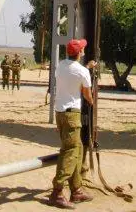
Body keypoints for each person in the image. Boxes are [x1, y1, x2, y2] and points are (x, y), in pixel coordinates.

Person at [48, 38, 95, 209]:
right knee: (70, 152)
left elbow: (73, 74)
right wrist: (92, 101)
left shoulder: (61, 66)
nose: (83, 50)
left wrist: (87, 68)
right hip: (71, 115)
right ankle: (57, 191)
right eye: (82, 49)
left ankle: (76, 190)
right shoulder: (83, 72)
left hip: (60, 113)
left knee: (78, 148)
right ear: (80, 53)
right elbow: (87, 95)